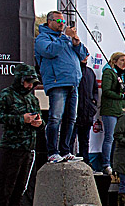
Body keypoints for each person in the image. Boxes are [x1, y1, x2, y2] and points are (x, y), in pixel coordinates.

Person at [0, 64, 43, 206]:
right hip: (10, 149)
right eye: (28, 82)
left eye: (32, 83)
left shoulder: (32, 99)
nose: (30, 86)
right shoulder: (7, 95)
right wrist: (21, 119)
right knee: (5, 192)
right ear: (20, 80)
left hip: (27, 149)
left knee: (19, 192)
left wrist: (37, 122)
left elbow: (38, 120)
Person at [35, 10, 88, 163]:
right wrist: (66, 37)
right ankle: (52, 152)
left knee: (71, 119)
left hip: (73, 83)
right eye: (58, 21)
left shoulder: (66, 39)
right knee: (55, 118)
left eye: (63, 21)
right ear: (49, 21)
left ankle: (65, 150)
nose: (61, 24)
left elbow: (84, 55)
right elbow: (49, 51)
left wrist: (77, 43)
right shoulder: (43, 38)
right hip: (58, 82)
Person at [97, 52, 125, 175]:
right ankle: (106, 164)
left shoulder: (123, 74)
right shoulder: (109, 72)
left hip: (121, 110)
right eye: (122, 60)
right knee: (109, 137)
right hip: (110, 110)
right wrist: (121, 95)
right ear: (115, 61)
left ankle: (115, 163)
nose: (124, 63)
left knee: (118, 139)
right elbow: (106, 91)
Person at [74, 55, 99, 167]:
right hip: (75, 111)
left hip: (87, 112)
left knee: (85, 140)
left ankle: (86, 161)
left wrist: (93, 104)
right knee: (71, 138)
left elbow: (95, 90)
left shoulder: (90, 72)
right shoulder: (74, 70)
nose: (85, 58)